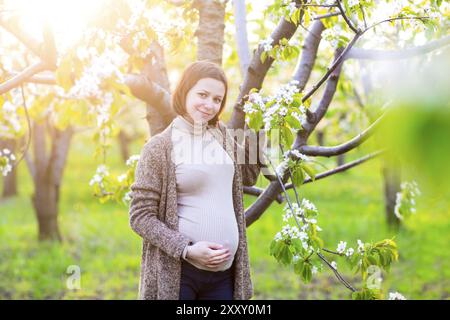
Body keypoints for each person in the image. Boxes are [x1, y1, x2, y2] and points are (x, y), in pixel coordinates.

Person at [129, 60, 262, 300]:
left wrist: (257, 127)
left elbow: (249, 176)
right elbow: (140, 216)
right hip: (180, 274)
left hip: (224, 275)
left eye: (217, 99)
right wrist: (187, 250)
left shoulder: (221, 136)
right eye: (202, 94)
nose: (209, 105)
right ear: (185, 91)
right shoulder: (158, 148)